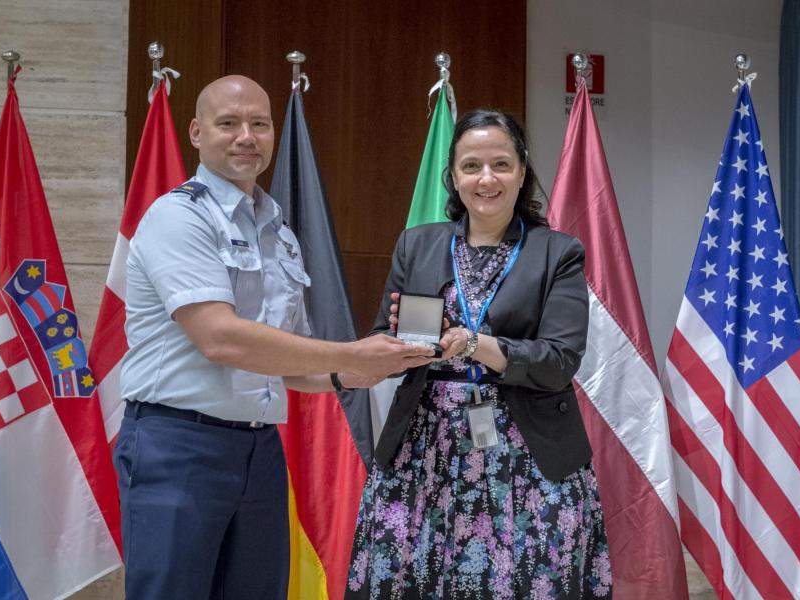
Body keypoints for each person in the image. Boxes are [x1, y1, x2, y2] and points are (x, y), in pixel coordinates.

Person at [113, 75, 434, 600]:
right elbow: (221, 339)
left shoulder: (278, 229)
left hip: (258, 447)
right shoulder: (179, 216)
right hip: (177, 445)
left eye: (259, 124)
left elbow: (287, 357)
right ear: (196, 132)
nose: (247, 136)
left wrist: (358, 370)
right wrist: (349, 352)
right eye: (229, 123)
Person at [346, 109, 612, 599]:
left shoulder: (559, 252)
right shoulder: (416, 245)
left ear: (522, 171)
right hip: (421, 452)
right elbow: (384, 333)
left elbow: (558, 361)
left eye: (501, 164)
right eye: (471, 166)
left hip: (527, 456)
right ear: (453, 176)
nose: (486, 179)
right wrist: (404, 345)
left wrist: (472, 343)